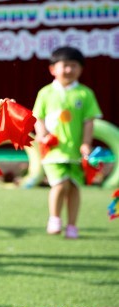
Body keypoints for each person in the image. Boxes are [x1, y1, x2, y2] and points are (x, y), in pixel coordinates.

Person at [33, 46, 101, 239]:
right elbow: (37, 117)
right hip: (53, 151)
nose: (69, 70)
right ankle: (54, 218)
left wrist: (86, 143)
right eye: (65, 66)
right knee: (60, 184)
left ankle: (72, 225)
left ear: (80, 69)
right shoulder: (45, 93)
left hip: (76, 152)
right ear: (53, 69)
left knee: (74, 187)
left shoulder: (85, 94)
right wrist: (43, 134)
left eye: (74, 66)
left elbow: (89, 120)